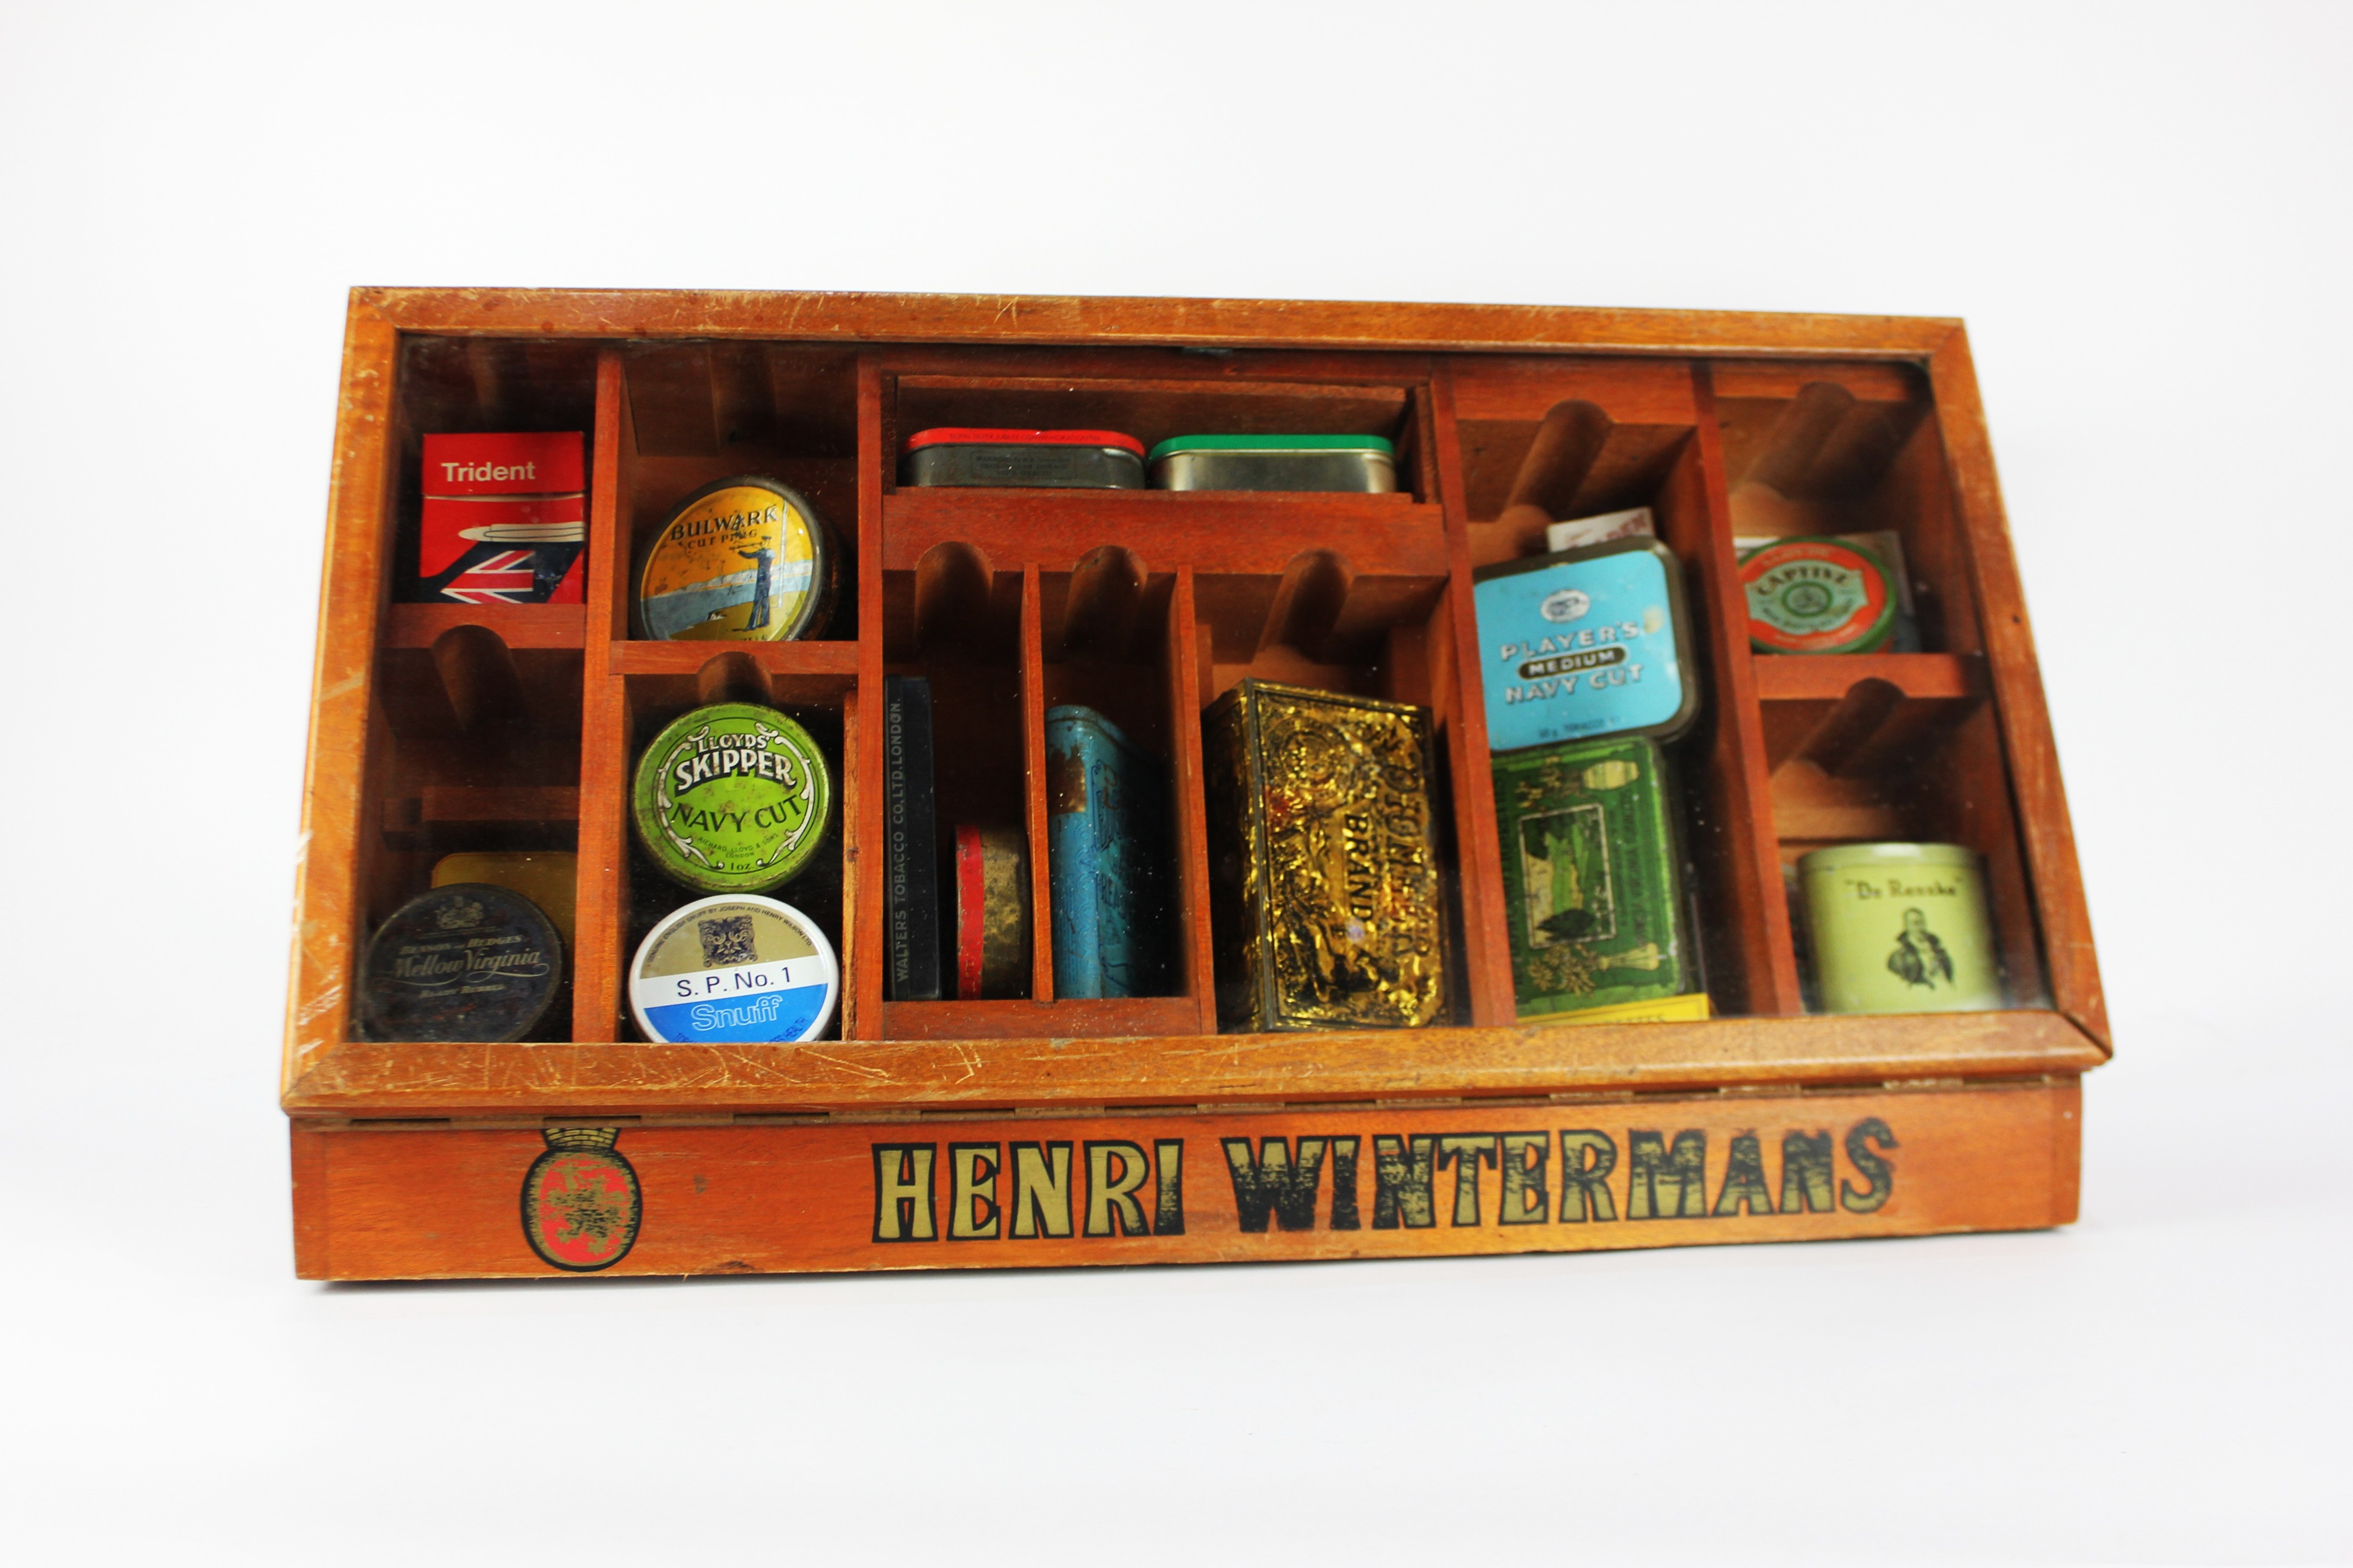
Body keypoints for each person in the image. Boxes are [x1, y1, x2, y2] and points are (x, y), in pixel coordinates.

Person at [1887, 906, 1954, 989]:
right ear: (1907, 926)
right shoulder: (1899, 957)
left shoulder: (1939, 951)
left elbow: (1950, 979)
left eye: (1922, 923)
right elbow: (1902, 986)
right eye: (1915, 923)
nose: (1920, 927)